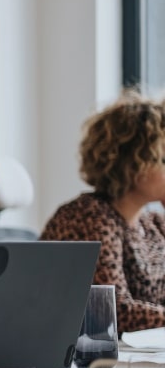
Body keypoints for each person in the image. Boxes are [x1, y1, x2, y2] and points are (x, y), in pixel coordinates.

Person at [41, 92, 165, 333]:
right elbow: (113, 313)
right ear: (133, 163)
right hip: (89, 355)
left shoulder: (153, 224)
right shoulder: (89, 217)